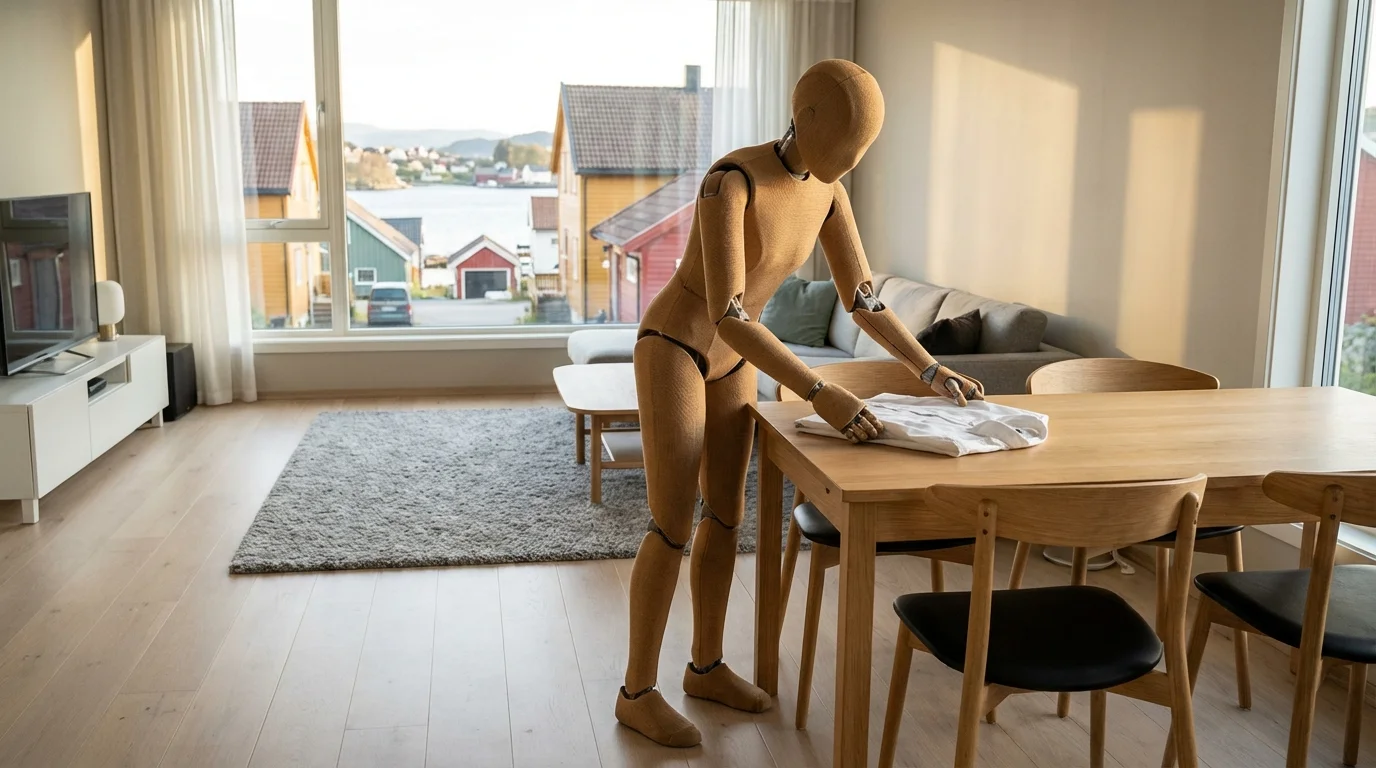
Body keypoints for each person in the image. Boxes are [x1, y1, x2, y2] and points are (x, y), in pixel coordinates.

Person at [617, 59, 984, 748]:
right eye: (846, 141)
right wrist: (820, 389)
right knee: (672, 524)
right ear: (806, 118)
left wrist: (931, 368)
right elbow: (728, 312)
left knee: (726, 515)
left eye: (862, 147)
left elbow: (864, 299)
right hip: (678, 344)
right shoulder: (731, 182)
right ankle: (635, 692)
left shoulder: (829, 192)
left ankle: (705, 667)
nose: (852, 159)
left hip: (735, 357)